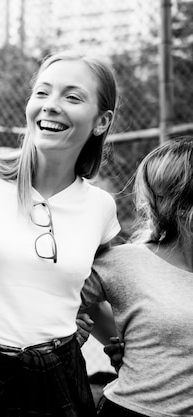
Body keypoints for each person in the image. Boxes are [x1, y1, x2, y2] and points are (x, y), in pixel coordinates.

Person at [0, 50, 121, 416]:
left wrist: (129, 348)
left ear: (101, 121)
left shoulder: (101, 208)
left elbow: (92, 294)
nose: (51, 106)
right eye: (42, 93)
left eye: (72, 96)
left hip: (59, 378)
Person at [81, 136, 193, 417]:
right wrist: (122, 342)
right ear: (178, 202)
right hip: (133, 409)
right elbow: (54, 304)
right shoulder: (125, 262)